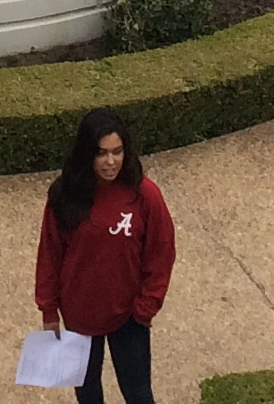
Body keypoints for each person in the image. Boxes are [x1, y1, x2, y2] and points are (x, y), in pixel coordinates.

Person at [35, 108, 173, 404]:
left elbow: (161, 253)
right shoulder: (64, 195)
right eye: (101, 153)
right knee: (87, 395)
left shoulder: (145, 195)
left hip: (129, 318)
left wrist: (146, 308)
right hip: (77, 318)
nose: (111, 162)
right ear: (87, 153)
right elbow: (50, 253)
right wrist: (49, 311)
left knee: (139, 394)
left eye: (117, 151)